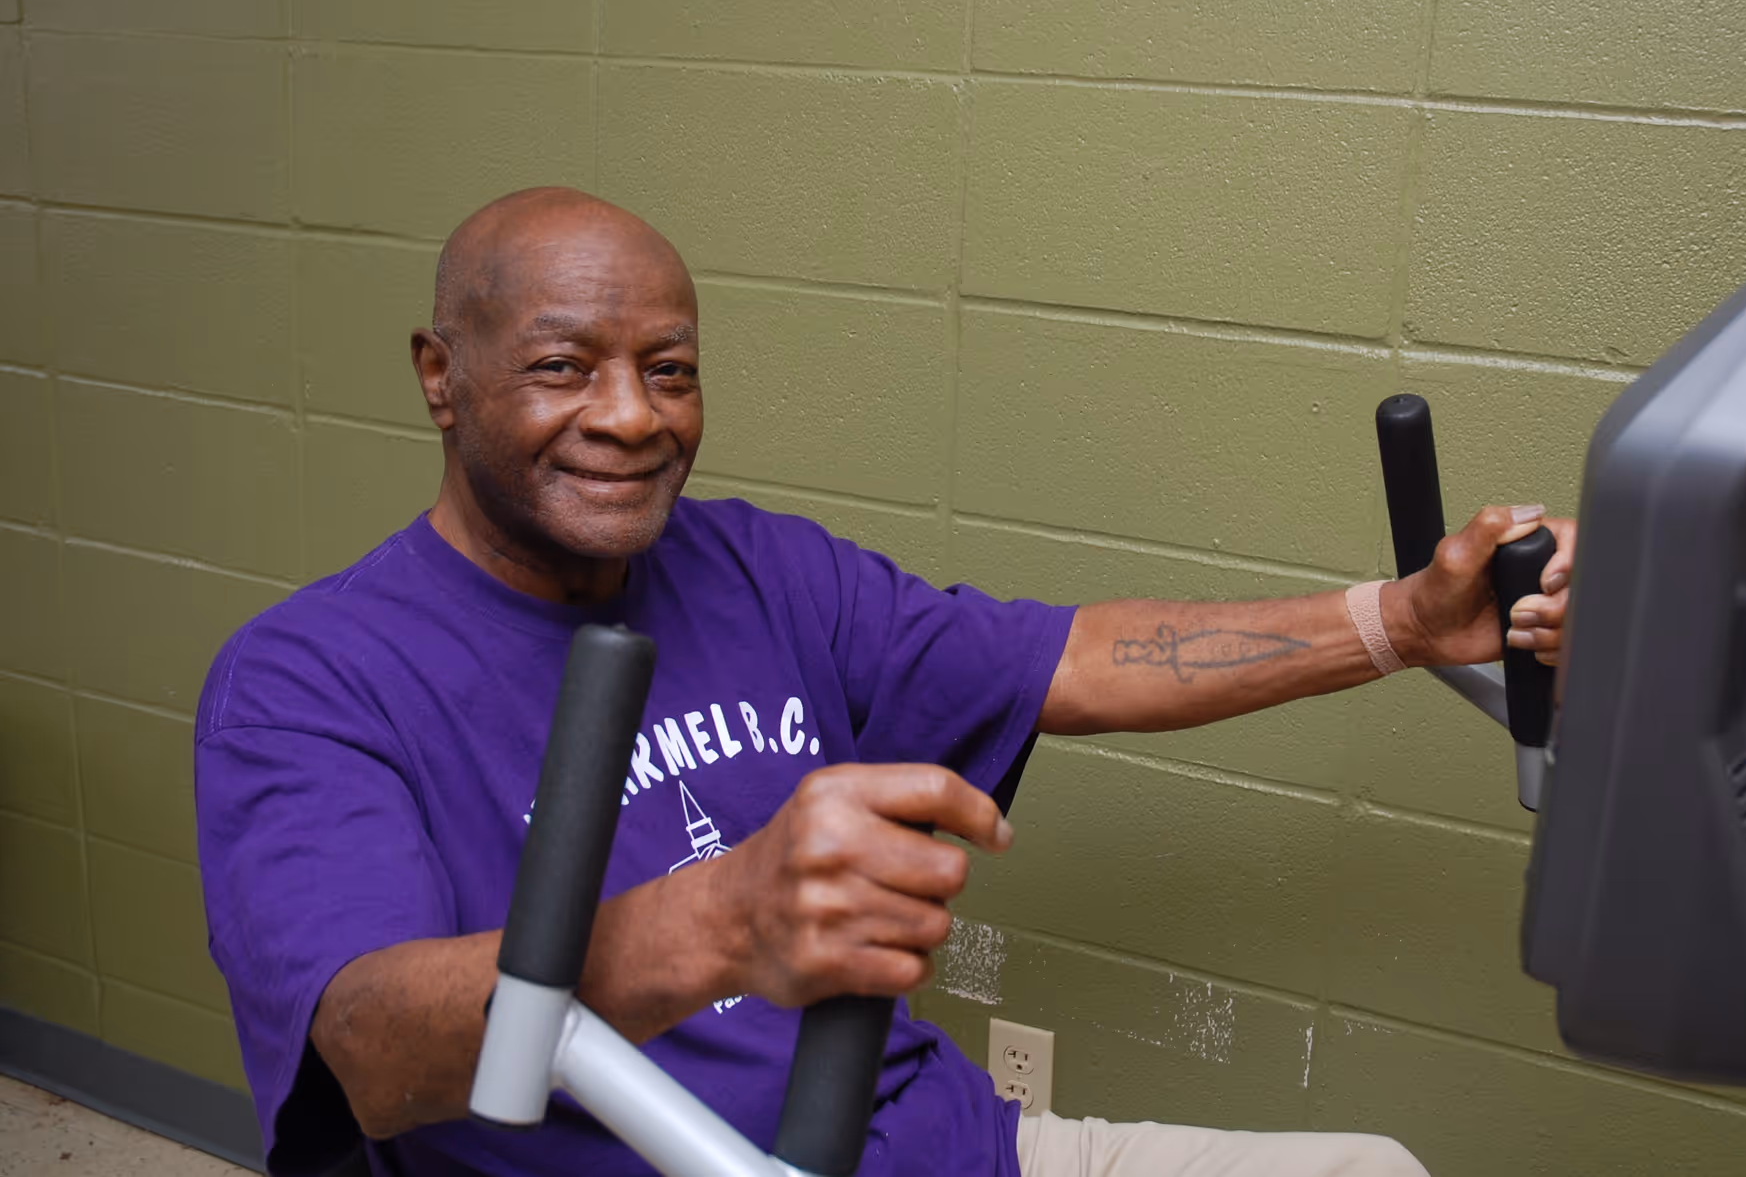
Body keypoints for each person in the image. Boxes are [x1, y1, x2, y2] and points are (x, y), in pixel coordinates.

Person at [195, 188, 1574, 1177]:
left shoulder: (756, 567)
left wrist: (1399, 622)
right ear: (443, 377)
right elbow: (367, 1048)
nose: (630, 415)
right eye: (564, 367)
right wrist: (712, 926)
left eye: (668, 371)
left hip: (951, 1147)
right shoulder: (311, 679)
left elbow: (1081, 659)